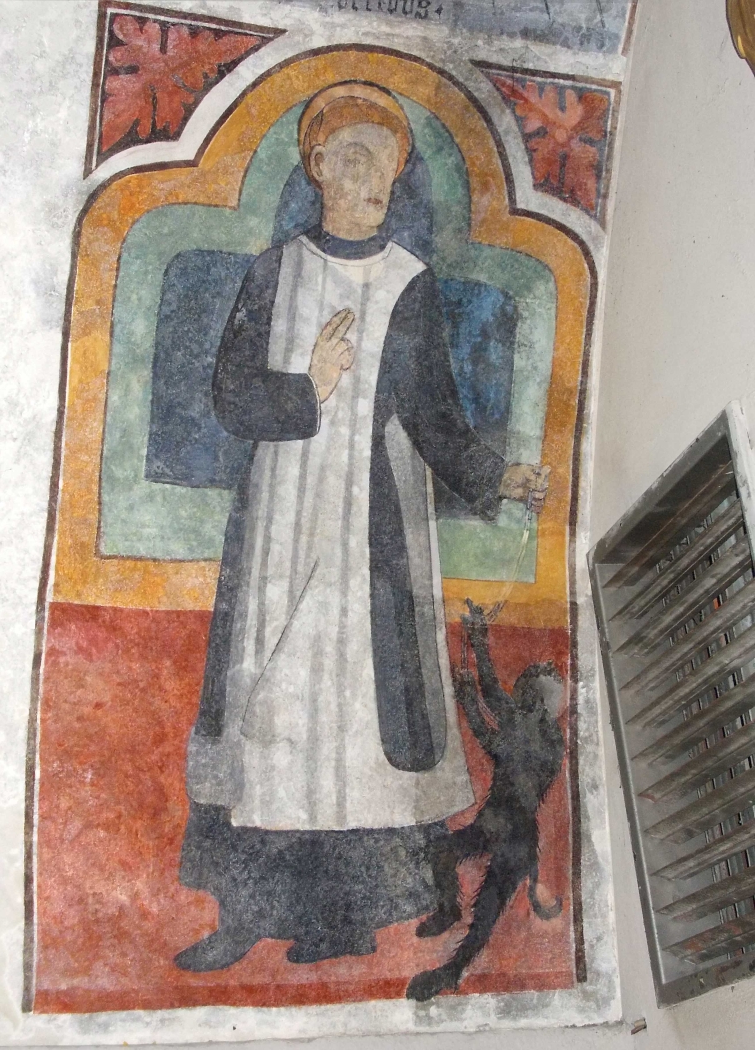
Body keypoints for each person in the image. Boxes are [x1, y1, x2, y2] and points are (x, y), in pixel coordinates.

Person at [175, 81, 549, 972]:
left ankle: (342, 920)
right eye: (352, 157)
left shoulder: (410, 283)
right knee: (264, 699)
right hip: (281, 520)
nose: (371, 177)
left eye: (384, 163)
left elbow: (435, 416)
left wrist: (497, 475)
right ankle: (245, 913)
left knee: (354, 715)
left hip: (370, 532)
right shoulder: (275, 271)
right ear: (316, 169)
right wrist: (310, 386)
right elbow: (229, 395)